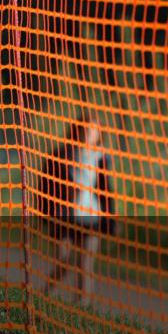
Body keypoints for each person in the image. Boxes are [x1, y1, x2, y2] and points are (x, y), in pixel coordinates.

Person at [40, 112, 116, 308]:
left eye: (93, 131)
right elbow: (46, 185)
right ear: (77, 130)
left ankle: (82, 306)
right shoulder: (62, 155)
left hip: (90, 218)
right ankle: (43, 297)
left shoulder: (100, 159)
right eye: (85, 129)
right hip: (64, 217)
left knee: (85, 265)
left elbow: (106, 191)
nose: (88, 134)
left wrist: (109, 220)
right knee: (63, 263)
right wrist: (46, 212)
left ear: (99, 134)